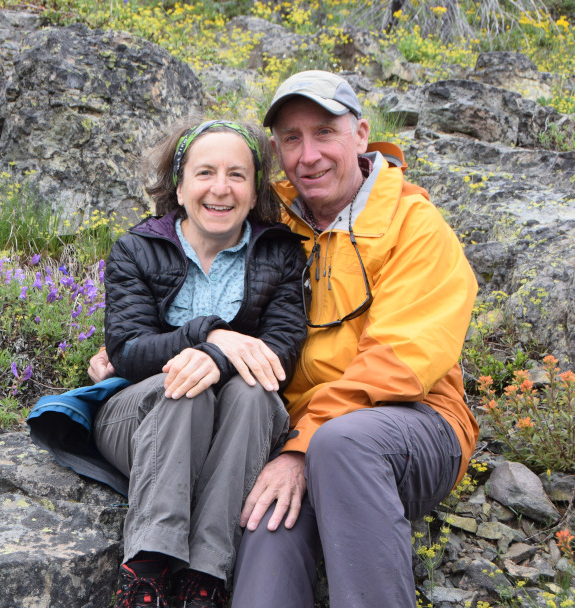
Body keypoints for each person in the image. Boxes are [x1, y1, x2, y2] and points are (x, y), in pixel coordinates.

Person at [226, 71, 480, 608]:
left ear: (361, 135)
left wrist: (302, 445)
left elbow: (400, 363)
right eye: (291, 138)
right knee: (267, 526)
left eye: (324, 132)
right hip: (296, 440)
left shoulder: (416, 226)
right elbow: (184, 247)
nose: (309, 154)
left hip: (412, 424)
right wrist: (133, 339)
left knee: (345, 445)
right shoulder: (266, 216)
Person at [87, 117, 307, 608]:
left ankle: (204, 580)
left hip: (237, 429)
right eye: (205, 173)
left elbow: (282, 354)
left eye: (237, 175)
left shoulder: (280, 253)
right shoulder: (137, 249)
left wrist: (216, 359)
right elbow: (126, 350)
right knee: (186, 390)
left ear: (255, 192)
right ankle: (145, 570)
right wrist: (210, 337)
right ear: (180, 186)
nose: (220, 189)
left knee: (254, 391)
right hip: (140, 420)